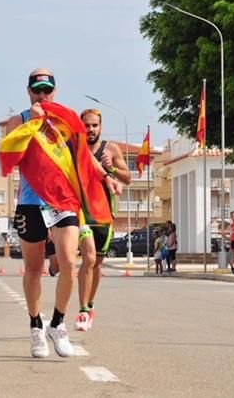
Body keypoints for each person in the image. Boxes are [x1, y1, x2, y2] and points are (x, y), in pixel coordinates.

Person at [4, 68, 122, 358]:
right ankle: (35, 327)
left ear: (55, 91)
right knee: (33, 270)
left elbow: (83, 155)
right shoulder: (18, 120)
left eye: (47, 90)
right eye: (37, 91)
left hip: (63, 200)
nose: (42, 96)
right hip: (31, 202)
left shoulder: (67, 119)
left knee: (69, 262)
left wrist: (106, 176)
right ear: (28, 91)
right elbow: (11, 157)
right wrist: (30, 125)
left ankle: (57, 323)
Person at [72, 108, 131, 332]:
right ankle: (83, 310)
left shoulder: (111, 149)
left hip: (104, 214)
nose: (90, 129)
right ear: (81, 126)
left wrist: (111, 167)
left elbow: (128, 178)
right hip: (81, 212)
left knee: (96, 264)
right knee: (87, 258)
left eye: (94, 125)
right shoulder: (75, 147)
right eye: (86, 125)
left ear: (101, 127)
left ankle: (90, 304)